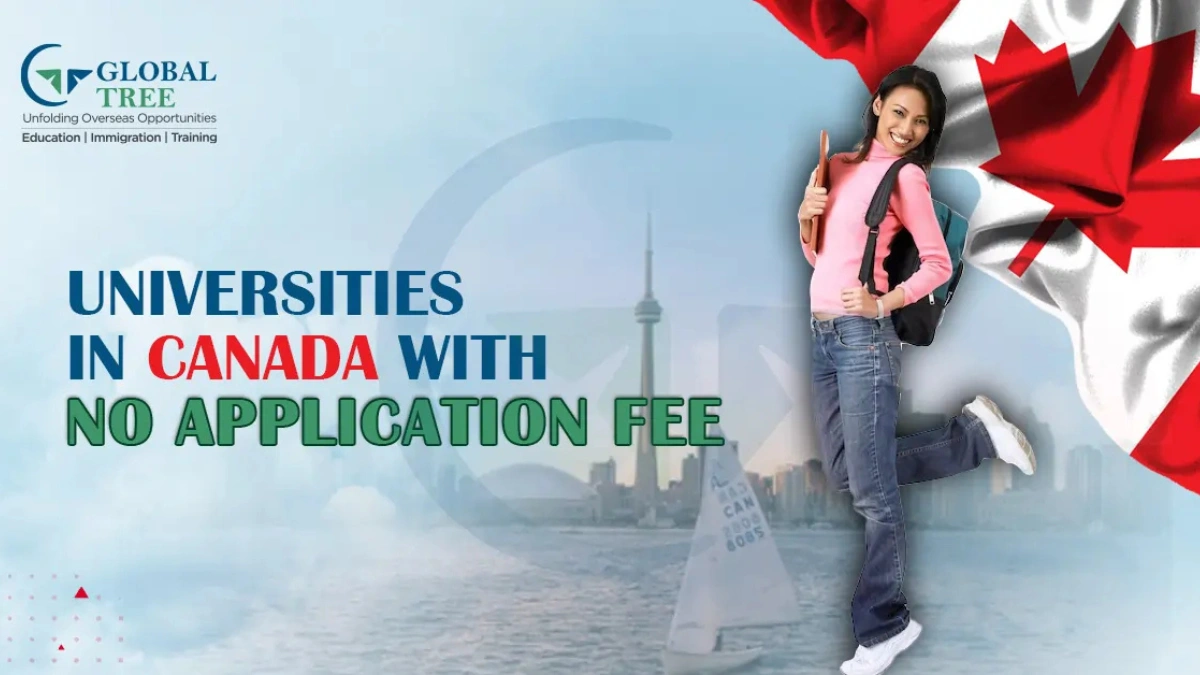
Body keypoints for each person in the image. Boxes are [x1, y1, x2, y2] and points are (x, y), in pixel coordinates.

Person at [797, 64, 1037, 675]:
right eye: (899, 112)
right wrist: (806, 213)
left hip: (863, 338)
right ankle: (975, 437)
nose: (907, 128)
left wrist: (883, 302)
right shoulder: (839, 168)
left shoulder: (906, 180)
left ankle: (885, 627)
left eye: (920, 121)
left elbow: (936, 264)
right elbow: (823, 255)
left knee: (875, 495)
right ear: (878, 106)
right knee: (851, 472)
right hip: (821, 333)